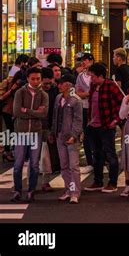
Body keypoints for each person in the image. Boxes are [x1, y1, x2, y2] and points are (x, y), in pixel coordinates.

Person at [84, 63, 124, 193]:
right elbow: (91, 104)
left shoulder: (111, 86)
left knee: (110, 154)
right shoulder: (93, 86)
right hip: (93, 126)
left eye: (93, 76)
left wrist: (116, 120)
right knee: (97, 155)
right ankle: (98, 181)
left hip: (106, 125)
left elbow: (122, 103)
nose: (91, 79)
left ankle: (113, 182)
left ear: (101, 76)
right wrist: (89, 120)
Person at [11, 68, 49, 203]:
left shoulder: (43, 95)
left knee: (34, 164)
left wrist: (26, 110)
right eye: (33, 79)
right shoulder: (20, 92)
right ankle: (17, 190)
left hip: (36, 132)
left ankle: (31, 190)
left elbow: (43, 114)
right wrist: (34, 112)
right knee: (18, 164)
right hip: (20, 132)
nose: (35, 81)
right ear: (27, 78)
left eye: (38, 79)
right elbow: (16, 112)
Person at [51, 74, 83, 204]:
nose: (59, 85)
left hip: (71, 137)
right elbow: (55, 117)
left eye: (62, 83)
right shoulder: (59, 98)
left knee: (73, 166)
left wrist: (74, 135)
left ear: (69, 85)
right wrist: (53, 132)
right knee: (64, 166)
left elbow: (78, 120)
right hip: (59, 135)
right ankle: (68, 190)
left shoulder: (76, 100)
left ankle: (75, 192)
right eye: (59, 83)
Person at [40, 68, 61, 192]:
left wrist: (51, 130)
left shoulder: (55, 91)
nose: (47, 86)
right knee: (36, 157)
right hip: (36, 127)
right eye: (45, 83)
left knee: (46, 156)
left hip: (50, 126)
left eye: (49, 83)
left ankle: (45, 181)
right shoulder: (36, 91)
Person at [75, 53, 95, 174]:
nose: (83, 62)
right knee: (86, 135)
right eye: (82, 60)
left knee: (97, 134)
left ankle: (100, 160)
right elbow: (78, 93)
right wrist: (89, 94)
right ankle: (90, 162)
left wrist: (86, 93)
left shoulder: (96, 75)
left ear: (91, 61)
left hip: (96, 109)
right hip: (84, 108)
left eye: (85, 60)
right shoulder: (80, 76)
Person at [0, 71, 23, 162]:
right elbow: (2, 97)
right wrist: (12, 89)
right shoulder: (11, 84)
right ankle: (7, 152)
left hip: (12, 111)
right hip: (8, 110)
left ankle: (10, 151)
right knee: (10, 132)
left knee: (11, 131)